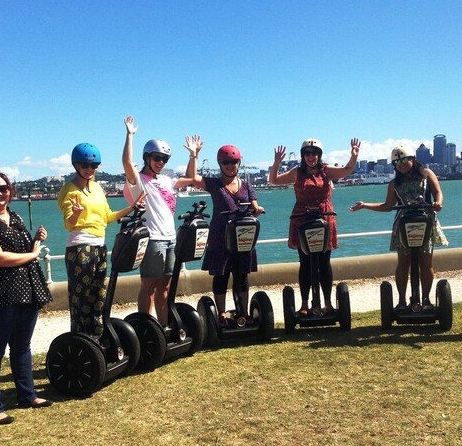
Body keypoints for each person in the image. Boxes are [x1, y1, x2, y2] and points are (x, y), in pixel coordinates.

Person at [0, 172, 53, 425]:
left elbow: (20, 251)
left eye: (3, 188)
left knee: (22, 346)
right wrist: (33, 255)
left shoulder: (14, 217)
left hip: (25, 290)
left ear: (10, 190)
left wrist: (35, 242)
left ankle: (27, 394)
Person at [58, 142, 145, 337]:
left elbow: (107, 216)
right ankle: (80, 338)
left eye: (94, 166)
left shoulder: (97, 188)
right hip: (80, 247)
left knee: (98, 295)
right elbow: (68, 223)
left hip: (99, 246)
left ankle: (97, 336)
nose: (90, 170)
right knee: (81, 298)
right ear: (76, 165)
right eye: (85, 165)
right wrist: (76, 214)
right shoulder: (69, 190)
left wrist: (132, 207)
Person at [268, 137, 360, 314]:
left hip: (325, 216)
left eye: (315, 153)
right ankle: (304, 304)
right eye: (308, 153)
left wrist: (354, 155)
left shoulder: (326, 171)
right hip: (302, 217)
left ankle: (327, 303)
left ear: (319, 155)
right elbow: (274, 180)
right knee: (305, 262)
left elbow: (346, 170)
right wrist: (277, 162)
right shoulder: (297, 172)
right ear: (303, 155)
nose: (311, 156)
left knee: (324, 262)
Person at [349, 145, 448, 310]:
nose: (401, 164)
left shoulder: (426, 174)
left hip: (426, 220)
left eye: (404, 160)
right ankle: (402, 301)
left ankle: (425, 299)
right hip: (403, 223)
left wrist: (438, 203)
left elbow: (438, 192)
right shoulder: (394, 183)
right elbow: (388, 206)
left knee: (426, 262)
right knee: (403, 262)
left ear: (412, 159)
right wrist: (365, 205)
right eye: (396, 162)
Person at [122, 115, 194, 324]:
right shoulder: (138, 181)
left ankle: (163, 328)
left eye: (164, 159)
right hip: (152, 239)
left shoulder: (165, 179)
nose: (161, 162)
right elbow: (127, 162)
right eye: (157, 158)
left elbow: (191, 178)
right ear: (146, 157)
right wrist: (130, 135)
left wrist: (193, 155)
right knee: (149, 287)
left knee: (165, 287)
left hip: (171, 238)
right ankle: (146, 328)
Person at [185, 137, 265, 324]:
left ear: (239, 163)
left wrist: (257, 210)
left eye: (234, 162)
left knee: (242, 276)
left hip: (243, 237)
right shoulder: (214, 184)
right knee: (221, 275)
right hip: (220, 237)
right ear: (220, 164)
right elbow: (193, 178)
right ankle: (221, 314)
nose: (230, 165)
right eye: (226, 162)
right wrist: (194, 155)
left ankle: (242, 312)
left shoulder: (246, 185)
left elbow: (254, 207)